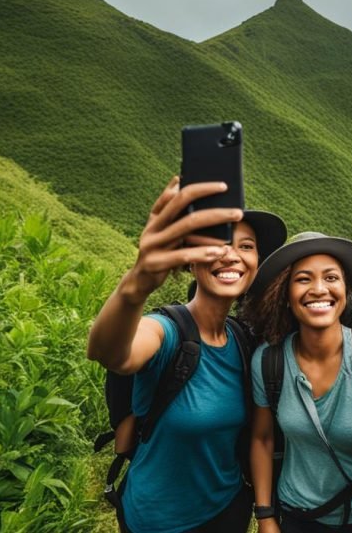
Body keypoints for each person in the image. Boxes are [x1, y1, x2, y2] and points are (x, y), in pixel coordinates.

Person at [87, 177, 287, 533]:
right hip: (158, 519)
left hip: (228, 508)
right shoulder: (165, 331)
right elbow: (110, 353)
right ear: (190, 260)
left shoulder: (241, 338)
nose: (231, 255)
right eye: (216, 244)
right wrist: (139, 280)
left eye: (246, 246)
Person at [243, 232, 352, 533]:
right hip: (296, 516)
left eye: (331, 278)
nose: (319, 289)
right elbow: (262, 439)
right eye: (303, 279)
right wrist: (265, 515)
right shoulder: (269, 361)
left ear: (345, 291)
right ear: (286, 295)